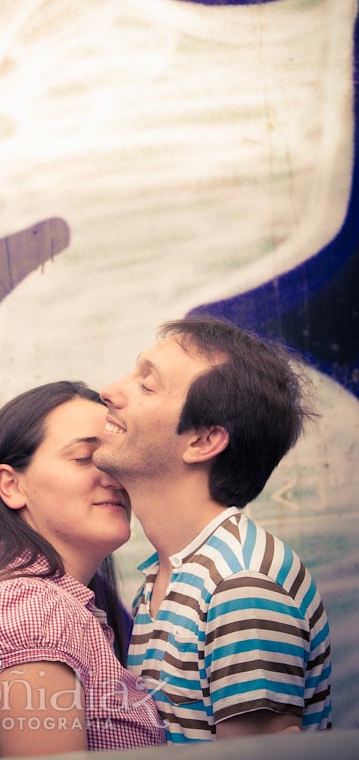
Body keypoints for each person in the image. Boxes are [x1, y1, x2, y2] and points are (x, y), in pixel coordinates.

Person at [94, 315, 332, 744]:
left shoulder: (241, 586)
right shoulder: (168, 574)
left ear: (203, 441)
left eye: (146, 386)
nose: (110, 392)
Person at [0, 381, 165, 759]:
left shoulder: (46, 602)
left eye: (114, 457)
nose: (112, 475)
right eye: (84, 457)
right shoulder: (30, 611)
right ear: (12, 486)